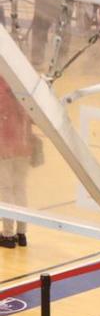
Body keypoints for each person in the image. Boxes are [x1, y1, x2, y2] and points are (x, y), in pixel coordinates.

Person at [0, 79, 34, 248]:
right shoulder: (22, 84)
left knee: (5, 190)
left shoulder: (1, 88)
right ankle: (21, 233)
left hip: (5, 147)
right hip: (24, 145)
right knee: (19, 188)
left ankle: (7, 235)